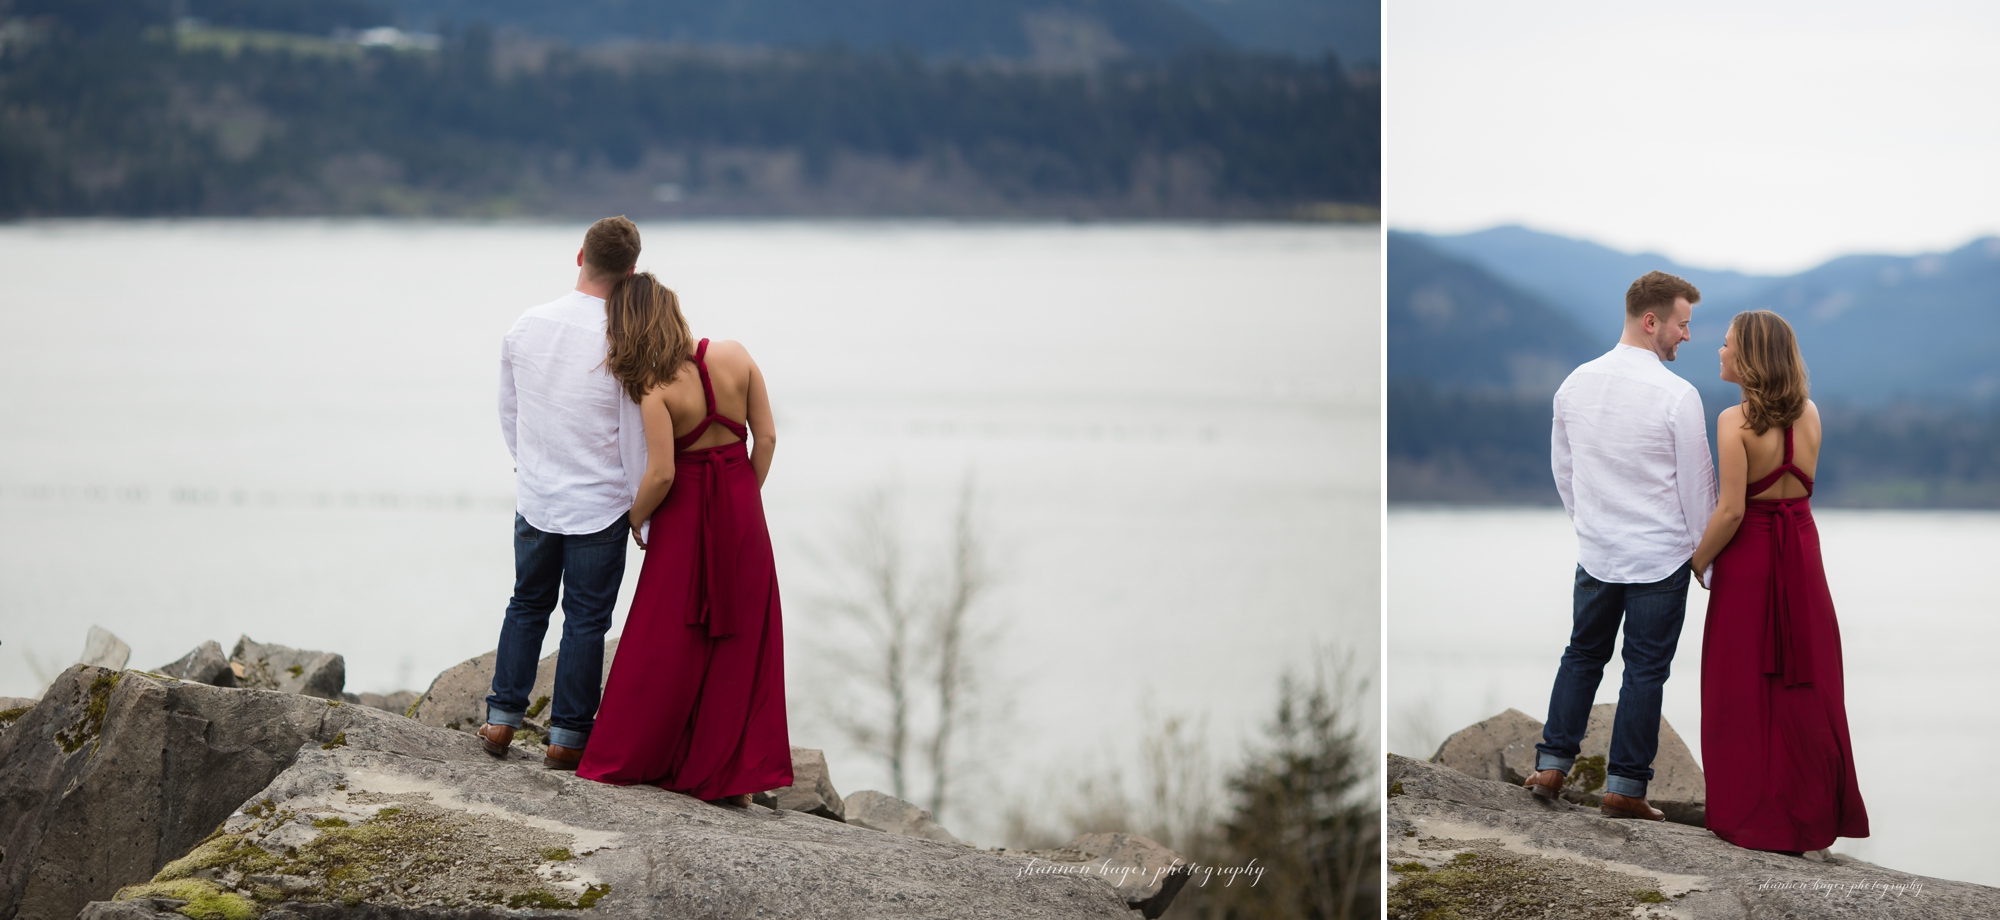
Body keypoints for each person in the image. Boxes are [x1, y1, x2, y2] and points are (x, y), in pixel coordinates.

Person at [575, 272, 792, 806]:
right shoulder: (736, 354)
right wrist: (743, 494)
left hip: (684, 520)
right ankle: (731, 775)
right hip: (742, 510)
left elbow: (662, 475)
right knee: (743, 639)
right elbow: (765, 438)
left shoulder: (656, 391)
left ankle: (646, 754)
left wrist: (633, 519)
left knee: (664, 638)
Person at [1524, 271, 1717, 820]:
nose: (1686, 336)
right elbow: (1697, 487)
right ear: (1651, 320)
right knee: (1645, 671)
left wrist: (1588, 523)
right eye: (1682, 325)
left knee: (1582, 654)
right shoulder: (1678, 395)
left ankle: (1552, 764)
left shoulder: (1575, 384)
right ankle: (1625, 787)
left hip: (1598, 551)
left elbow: (1564, 470)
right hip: (1659, 557)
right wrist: (1706, 560)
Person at [1688, 310, 1868, 853]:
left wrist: (1696, 562)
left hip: (1752, 560)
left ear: (1749, 356)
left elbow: (1731, 513)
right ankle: (1808, 817)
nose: (1718, 352)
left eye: (1725, 345)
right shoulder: (1810, 413)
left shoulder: (1732, 421)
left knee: (1739, 686)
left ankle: (1752, 816)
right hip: (1803, 553)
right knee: (1805, 685)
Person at [479, 216, 645, 770]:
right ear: (630, 273)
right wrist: (638, 503)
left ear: (580, 256)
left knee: (526, 603)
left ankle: (501, 719)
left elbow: (510, 412)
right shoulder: (624, 339)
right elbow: (632, 434)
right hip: (599, 502)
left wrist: (529, 468)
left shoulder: (526, 324)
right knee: (585, 621)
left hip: (538, 494)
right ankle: (566, 738)